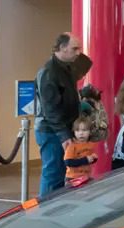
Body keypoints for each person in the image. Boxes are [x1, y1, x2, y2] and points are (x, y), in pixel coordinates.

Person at [35, 33, 90, 196]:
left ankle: (53, 209)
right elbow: (50, 109)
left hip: (58, 129)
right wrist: (64, 136)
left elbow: (84, 64)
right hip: (52, 131)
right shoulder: (49, 72)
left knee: (58, 173)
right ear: (62, 48)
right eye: (74, 48)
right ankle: (46, 212)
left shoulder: (65, 69)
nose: (78, 52)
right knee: (53, 174)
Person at [63, 115, 100, 188]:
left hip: (86, 176)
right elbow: (68, 162)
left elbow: (93, 158)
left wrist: (94, 158)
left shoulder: (91, 145)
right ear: (74, 132)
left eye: (84, 130)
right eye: (77, 130)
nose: (81, 133)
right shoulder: (72, 146)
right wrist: (85, 160)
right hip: (73, 178)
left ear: (90, 132)